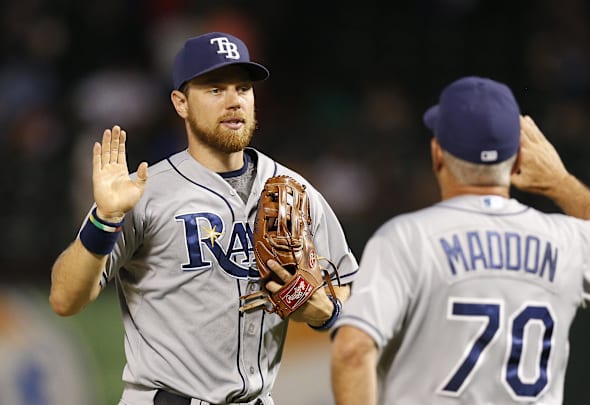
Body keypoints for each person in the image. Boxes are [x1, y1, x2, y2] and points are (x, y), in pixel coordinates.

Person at [49, 32, 359, 405]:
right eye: (215, 90)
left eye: (242, 88)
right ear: (181, 103)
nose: (233, 102)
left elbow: (349, 288)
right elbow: (66, 299)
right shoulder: (141, 194)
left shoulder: (295, 191)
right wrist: (104, 219)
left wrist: (326, 312)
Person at [330, 76, 590, 405]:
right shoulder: (565, 240)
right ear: (517, 159)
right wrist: (561, 182)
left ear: (437, 154)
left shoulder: (405, 238)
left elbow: (353, 351)